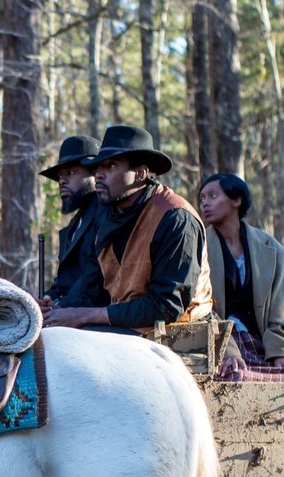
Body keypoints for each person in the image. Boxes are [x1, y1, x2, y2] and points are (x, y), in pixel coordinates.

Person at [43, 125, 212, 334]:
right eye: (98, 168)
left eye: (110, 166)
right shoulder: (107, 215)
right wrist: (56, 310)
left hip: (177, 331)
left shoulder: (176, 218)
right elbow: (92, 285)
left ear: (140, 173)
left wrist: (85, 315)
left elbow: (167, 307)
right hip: (125, 325)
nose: (99, 175)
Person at [198, 172, 284, 382]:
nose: (205, 203)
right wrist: (228, 352)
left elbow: (281, 310)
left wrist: (280, 353)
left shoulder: (272, 249)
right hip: (221, 344)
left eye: (213, 196)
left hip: (261, 345)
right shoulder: (199, 248)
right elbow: (201, 310)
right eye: (202, 198)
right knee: (234, 378)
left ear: (236, 199)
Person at [38, 135, 101, 309]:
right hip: (69, 315)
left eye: (71, 173)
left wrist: (62, 307)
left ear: (96, 174)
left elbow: (96, 279)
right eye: (59, 177)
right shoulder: (74, 225)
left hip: (95, 320)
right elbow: (66, 281)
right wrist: (48, 299)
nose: (62, 181)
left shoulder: (107, 216)